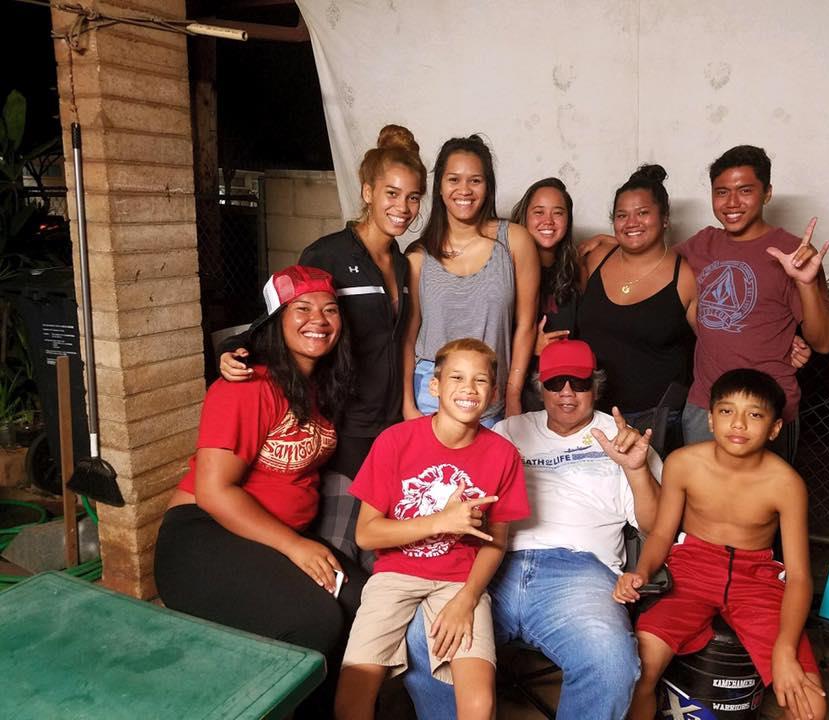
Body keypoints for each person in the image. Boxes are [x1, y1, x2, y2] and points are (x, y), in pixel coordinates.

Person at [403, 339, 662, 720]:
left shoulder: (623, 436)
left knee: (611, 664)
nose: (567, 394)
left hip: (580, 573)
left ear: (596, 386)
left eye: (579, 383)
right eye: (556, 383)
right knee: (423, 640)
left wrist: (635, 469)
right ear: (541, 388)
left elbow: (656, 526)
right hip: (496, 563)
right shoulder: (509, 430)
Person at [154, 265, 363, 715]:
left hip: (272, 540)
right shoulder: (244, 387)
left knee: (366, 604)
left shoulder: (320, 388)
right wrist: (295, 546)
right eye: (302, 308)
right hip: (202, 536)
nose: (319, 319)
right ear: (276, 320)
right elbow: (214, 492)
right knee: (316, 619)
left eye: (330, 309)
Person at [218, 124, 426, 568]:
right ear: (368, 192)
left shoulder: (401, 262)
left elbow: (402, 341)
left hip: (389, 426)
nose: (403, 208)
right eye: (392, 194)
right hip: (343, 423)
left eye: (413, 198)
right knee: (338, 548)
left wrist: (409, 410)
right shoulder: (327, 253)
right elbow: (283, 316)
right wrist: (235, 347)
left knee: (381, 550)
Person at [335, 338, 530, 720]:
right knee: (351, 700)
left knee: (480, 704)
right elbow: (366, 535)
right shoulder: (395, 440)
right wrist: (441, 521)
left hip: (460, 580)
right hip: (395, 575)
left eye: (480, 380)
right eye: (457, 377)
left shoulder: (504, 454)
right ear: (435, 386)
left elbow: (497, 542)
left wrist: (467, 599)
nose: (469, 389)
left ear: (493, 393)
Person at [616, 368, 826, 720]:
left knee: (810, 707)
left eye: (755, 415)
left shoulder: (786, 484)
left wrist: (785, 649)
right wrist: (642, 572)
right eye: (727, 411)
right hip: (690, 572)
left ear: (775, 428)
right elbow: (663, 535)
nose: (738, 423)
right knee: (638, 671)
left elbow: (800, 577)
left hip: (756, 581)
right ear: (711, 419)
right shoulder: (684, 463)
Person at [676, 145, 829, 461]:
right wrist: (610, 243)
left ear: (767, 194)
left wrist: (805, 284)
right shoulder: (702, 243)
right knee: (698, 491)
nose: (732, 202)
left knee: (762, 494)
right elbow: (651, 261)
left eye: (745, 190)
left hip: (765, 408)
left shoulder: (793, 252)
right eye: (722, 192)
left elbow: (826, 343)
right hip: (705, 405)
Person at [402, 134, 540, 426]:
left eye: (475, 180)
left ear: (488, 186)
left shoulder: (515, 241)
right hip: (430, 394)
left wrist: (513, 392)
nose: (464, 190)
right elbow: (408, 337)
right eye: (454, 179)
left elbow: (526, 325)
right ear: (440, 187)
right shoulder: (418, 255)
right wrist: (407, 403)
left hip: (489, 393)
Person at [579, 165, 697, 430]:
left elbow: (713, 346)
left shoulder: (685, 277)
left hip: (655, 418)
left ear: (664, 218)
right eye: (622, 215)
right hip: (591, 413)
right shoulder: (596, 258)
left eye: (643, 213)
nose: (632, 223)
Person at [509, 177, 581, 411]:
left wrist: (607, 240)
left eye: (558, 213)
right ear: (524, 216)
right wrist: (530, 346)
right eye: (538, 212)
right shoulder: (505, 267)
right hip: (516, 392)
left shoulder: (576, 269)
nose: (548, 221)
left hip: (564, 394)